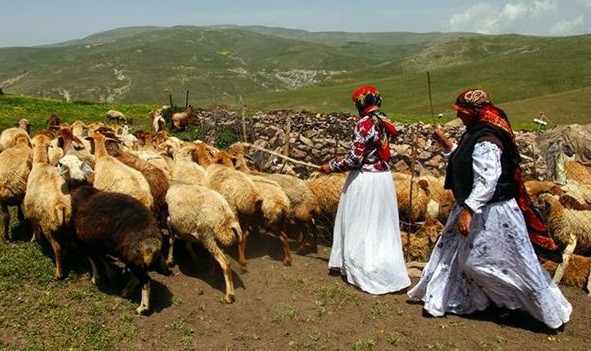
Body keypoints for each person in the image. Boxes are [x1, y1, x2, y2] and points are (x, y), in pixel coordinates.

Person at [407, 88, 572, 329]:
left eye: (462, 112)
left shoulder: (487, 139)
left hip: (493, 214)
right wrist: (447, 145)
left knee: (487, 263)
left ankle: (523, 306)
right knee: (460, 259)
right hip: (478, 208)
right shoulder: (476, 133)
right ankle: (483, 301)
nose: (460, 117)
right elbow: (468, 162)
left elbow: (487, 179)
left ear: (475, 112)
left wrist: (469, 210)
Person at [319, 85, 410, 295]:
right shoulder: (384, 121)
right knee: (380, 225)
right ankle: (387, 267)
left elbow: (355, 159)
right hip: (383, 180)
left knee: (360, 222)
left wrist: (330, 167)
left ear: (361, 103)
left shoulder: (363, 124)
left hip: (366, 180)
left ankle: (364, 267)